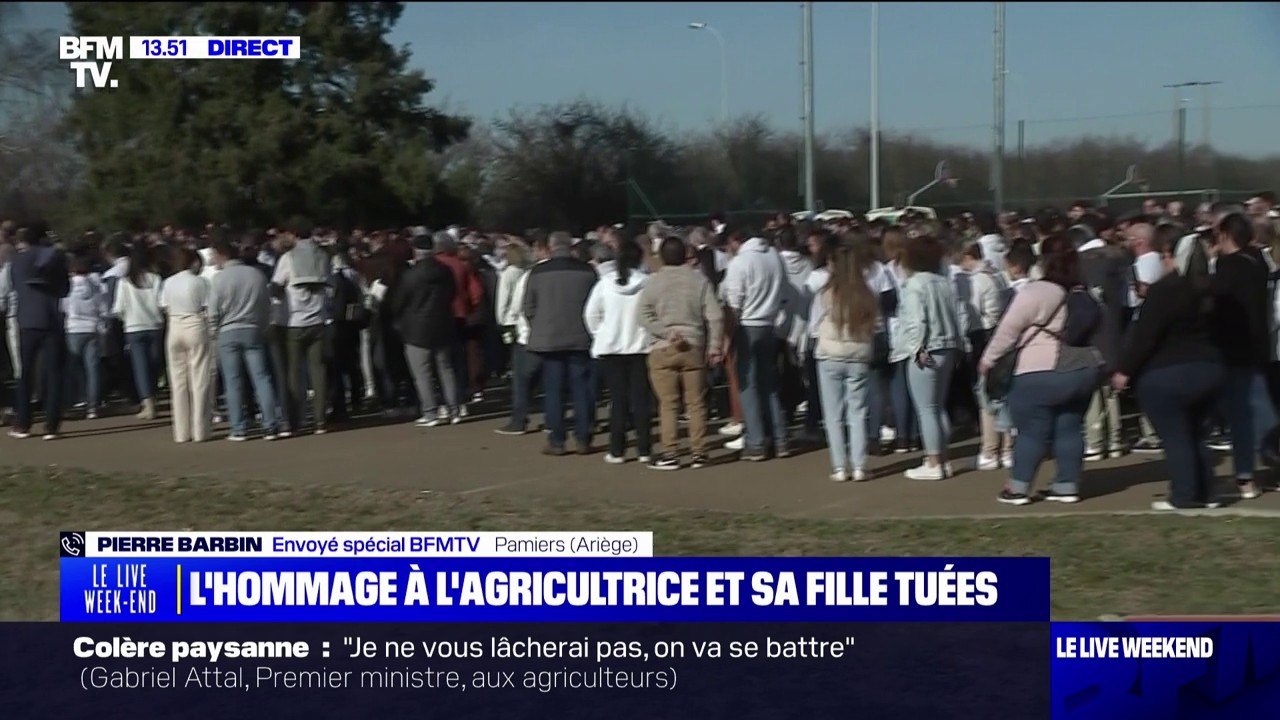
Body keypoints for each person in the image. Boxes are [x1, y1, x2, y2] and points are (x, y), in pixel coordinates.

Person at [980, 234, 1103, 505]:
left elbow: (1007, 332)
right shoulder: (1085, 292)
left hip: (1040, 372)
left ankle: (1018, 488)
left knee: (1032, 431)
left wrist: (988, 361)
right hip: (1082, 369)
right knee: (1070, 426)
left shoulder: (1036, 292)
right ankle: (1066, 484)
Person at [1113, 232, 1223, 510]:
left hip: (1168, 373)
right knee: (1197, 433)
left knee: (1176, 436)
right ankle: (1208, 492)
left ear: (1172, 256)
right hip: (1211, 369)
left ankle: (1184, 495)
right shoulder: (1210, 289)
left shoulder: (1166, 289)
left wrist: (1125, 370)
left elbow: (1145, 336)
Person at [638, 236, 724, 470]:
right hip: (694, 345)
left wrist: (665, 332)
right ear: (686, 255)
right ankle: (699, 452)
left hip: (663, 347)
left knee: (668, 404)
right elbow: (715, 316)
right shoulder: (699, 281)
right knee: (695, 403)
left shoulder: (653, 282)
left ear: (662, 257)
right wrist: (715, 346)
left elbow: (643, 315)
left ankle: (671, 452)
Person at [1208, 212, 1277, 501]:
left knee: (1241, 417)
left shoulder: (1229, 266)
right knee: (1262, 410)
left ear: (1225, 235)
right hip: (1258, 346)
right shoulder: (1257, 261)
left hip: (1233, 349)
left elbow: (1218, 307)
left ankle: (1245, 477)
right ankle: (1261, 467)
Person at [894, 228, 964, 480]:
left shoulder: (914, 285)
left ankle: (934, 462)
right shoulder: (945, 283)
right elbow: (958, 316)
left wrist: (915, 348)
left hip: (927, 348)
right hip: (948, 347)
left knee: (926, 408)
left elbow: (916, 320)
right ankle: (940, 458)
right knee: (937, 407)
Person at [810, 235, 881, 482]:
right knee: (858, 412)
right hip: (859, 354)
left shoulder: (826, 292)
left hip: (830, 353)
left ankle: (840, 467)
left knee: (833, 414)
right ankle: (860, 465)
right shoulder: (867, 293)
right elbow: (877, 324)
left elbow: (814, 323)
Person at [523, 231, 598, 455]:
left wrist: (539, 325)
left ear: (551, 247)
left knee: (554, 391)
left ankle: (557, 440)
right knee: (581, 389)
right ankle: (583, 437)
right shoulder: (587, 271)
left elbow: (528, 307)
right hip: (580, 336)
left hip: (549, 338)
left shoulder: (537, 272)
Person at [722, 226, 789, 461]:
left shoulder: (739, 263)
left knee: (747, 386)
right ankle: (780, 439)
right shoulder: (775, 256)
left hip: (748, 325)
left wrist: (726, 337)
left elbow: (734, 304)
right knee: (769, 384)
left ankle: (757, 441)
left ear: (737, 240)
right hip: (770, 324)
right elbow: (784, 291)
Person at [584, 236, 652, 464]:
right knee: (641, 399)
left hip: (612, 348)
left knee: (618, 400)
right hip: (640, 347)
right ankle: (644, 449)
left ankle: (617, 450)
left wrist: (601, 334)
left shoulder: (604, 284)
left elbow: (591, 315)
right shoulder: (647, 282)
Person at [209, 236, 281, 441]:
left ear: (222, 255)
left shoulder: (220, 278)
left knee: (233, 381)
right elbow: (266, 305)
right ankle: (270, 424)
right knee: (262, 377)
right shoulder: (257, 275)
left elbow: (213, 310)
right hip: (253, 328)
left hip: (228, 330)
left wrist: (214, 329)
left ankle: (238, 427)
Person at [389, 234, 460, 427]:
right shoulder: (445, 271)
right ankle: (454, 410)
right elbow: (453, 293)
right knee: (446, 370)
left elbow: (398, 302)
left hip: (416, 329)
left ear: (416, 251)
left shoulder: (411, 275)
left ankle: (431, 412)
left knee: (422, 374)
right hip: (443, 324)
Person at [8, 225, 70, 439]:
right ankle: (51, 426)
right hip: (52, 319)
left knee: (26, 373)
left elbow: (15, 288)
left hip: (26, 320)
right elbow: (65, 289)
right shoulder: (56, 258)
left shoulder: (17, 262)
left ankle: (23, 423)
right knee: (54, 373)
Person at [954, 239, 1010, 470]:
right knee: (1003, 392)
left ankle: (990, 450)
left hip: (982, 336)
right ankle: (1008, 448)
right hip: (1000, 334)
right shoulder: (997, 275)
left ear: (969, 257)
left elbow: (970, 313)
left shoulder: (976, 280)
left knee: (985, 394)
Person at [272, 224, 331, 435]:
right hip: (318, 320)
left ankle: (297, 419)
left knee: (294, 374)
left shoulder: (288, 258)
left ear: (292, 234)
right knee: (319, 371)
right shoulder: (323, 256)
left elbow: (276, 286)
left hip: (294, 322)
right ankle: (320, 421)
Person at [161, 247, 213, 443]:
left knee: (178, 382)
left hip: (174, 327)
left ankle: (181, 432)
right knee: (200, 378)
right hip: (196, 324)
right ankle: (201, 430)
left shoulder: (168, 282)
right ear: (194, 262)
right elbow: (208, 307)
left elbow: (165, 307)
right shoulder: (201, 282)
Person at [495, 236, 543, 435]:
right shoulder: (528, 272)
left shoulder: (509, 274)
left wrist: (503, 322)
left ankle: (519, 418)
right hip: (536, 326)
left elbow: (505, 302)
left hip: (517, 324)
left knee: (520, 376)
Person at [432, 233, 485, 410]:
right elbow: (476, 292)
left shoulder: (431, 265)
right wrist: (471, 308)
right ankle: (461, 398)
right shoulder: (461, 265)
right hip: (460, 315)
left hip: (437, 318)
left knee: (439, 361)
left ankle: (444, 400)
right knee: (458, 359)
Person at [112, 243, 164, 420]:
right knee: (154, 365)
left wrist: (127, 318)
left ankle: (148, 404)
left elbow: (118, 308)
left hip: (134, 328)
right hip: (155, 326)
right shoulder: (155, 279)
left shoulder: (124, 282)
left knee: (140, 367)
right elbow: (161, 303)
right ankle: (153, 398)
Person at [64, 255, 108, 420]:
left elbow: (63, 307)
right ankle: (93, 406)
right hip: (92, 329)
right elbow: (103, 309)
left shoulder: (68, 287)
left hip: (73, 329)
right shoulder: (96, 287)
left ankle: (73, 401)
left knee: (72, 369)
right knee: (93, 369)